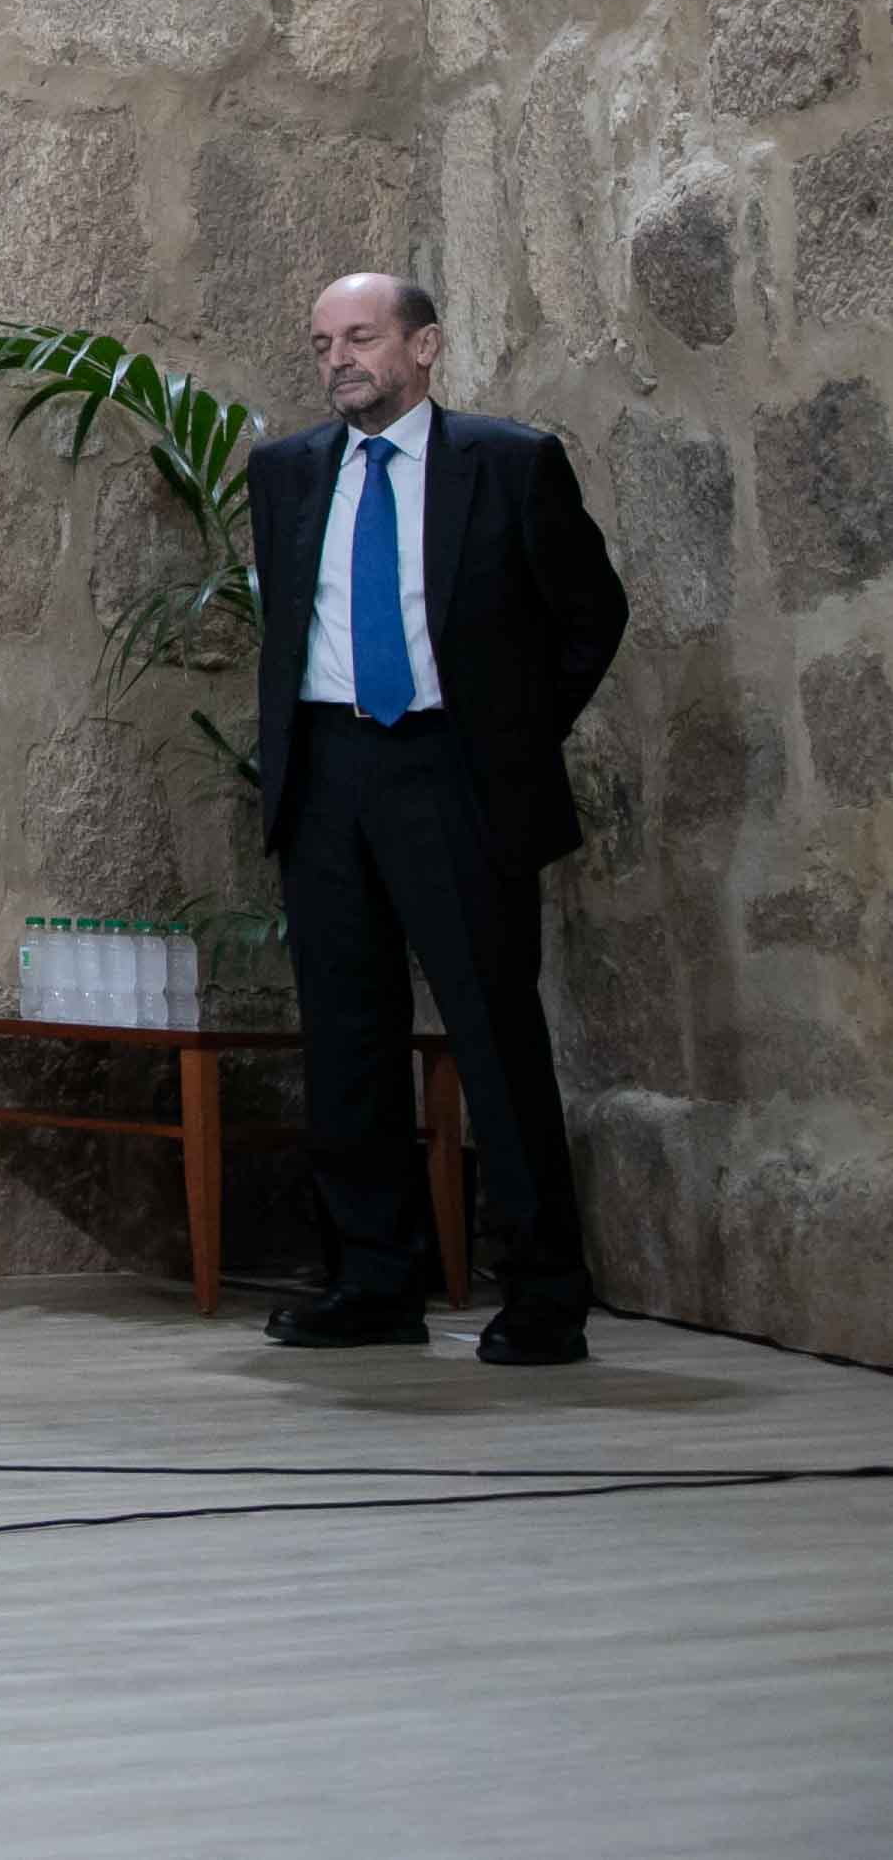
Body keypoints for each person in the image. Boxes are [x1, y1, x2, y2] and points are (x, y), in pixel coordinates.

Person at [249, 273, 628, 1365]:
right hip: (326, 778)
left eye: (360, 337)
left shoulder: (507, 463)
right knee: (347, 1042)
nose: (336, 360)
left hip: (452, 773)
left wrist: (505, 739)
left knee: (492, 1037)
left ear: (424, 347)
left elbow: (589, 615)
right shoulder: (282, 476)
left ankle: (546, 1294)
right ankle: (373, 1282)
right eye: (321, 342)